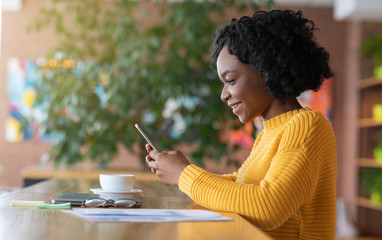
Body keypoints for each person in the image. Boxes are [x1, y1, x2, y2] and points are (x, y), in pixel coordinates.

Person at [146, 9, 337, 240]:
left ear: (267, 70)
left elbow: (269, 207)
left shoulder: (308, 125)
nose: (224, 95)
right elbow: (243, 185)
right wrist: (181, 171)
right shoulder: (270, 131)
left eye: (231, 81)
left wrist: (184, 175)